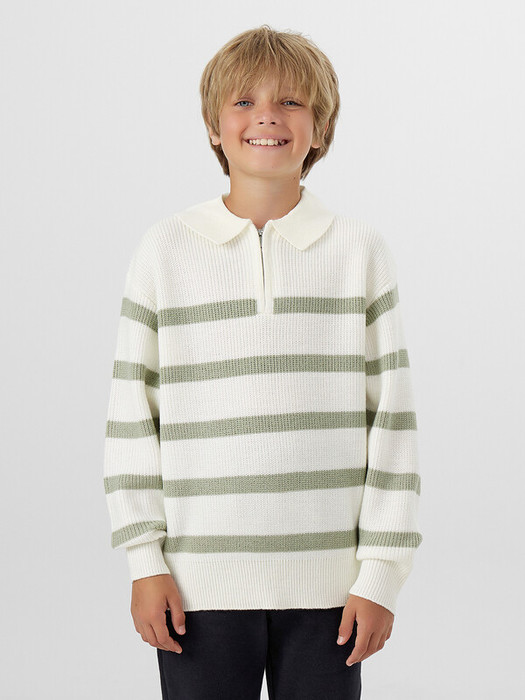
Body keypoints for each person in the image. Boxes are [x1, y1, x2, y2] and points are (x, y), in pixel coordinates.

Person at [103, 24, 423, 700]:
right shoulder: (164, 251)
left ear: (320, 128)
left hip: (331, 592)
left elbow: (392, 423)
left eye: (291, 102)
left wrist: (380, 574)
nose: (267, 117)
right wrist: (144, 562)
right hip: (195, 587)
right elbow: (131, 416)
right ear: (214, 127)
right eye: (244, 102)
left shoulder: (359, 252)